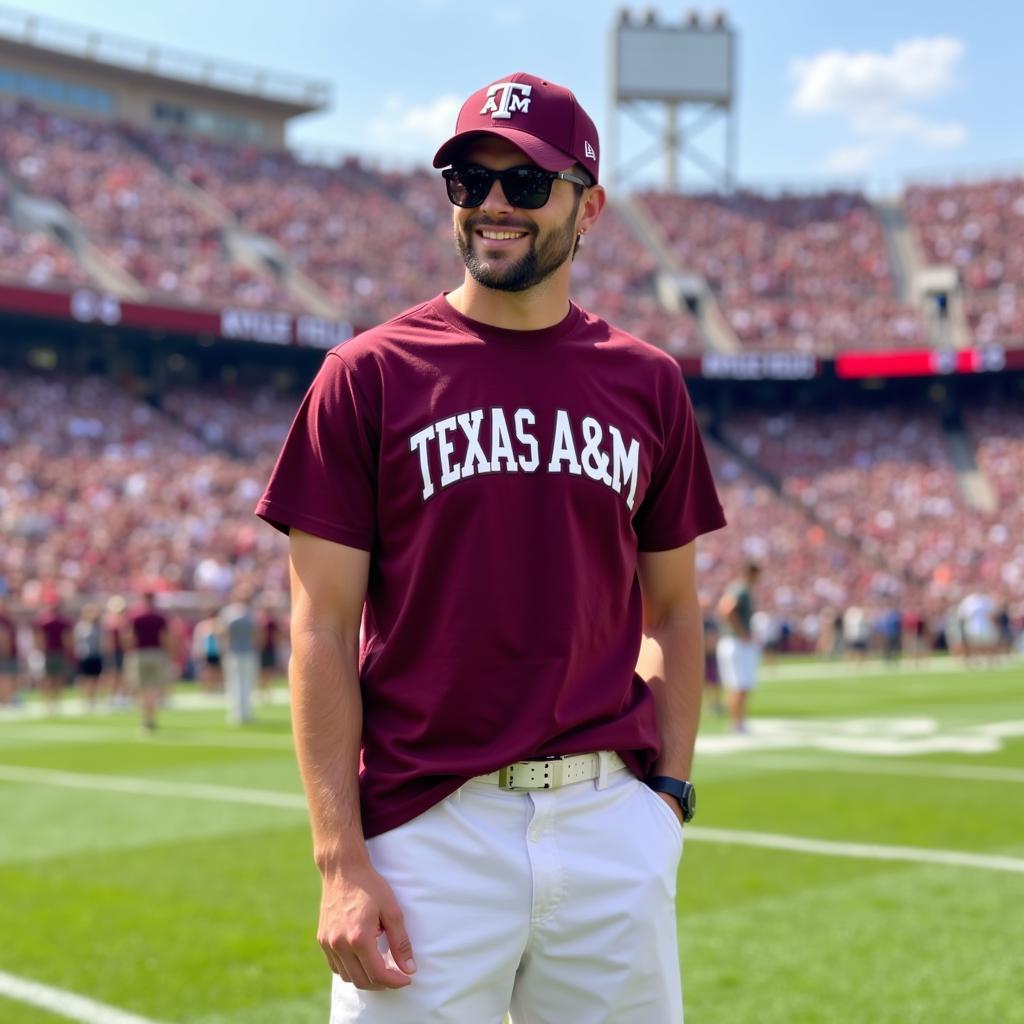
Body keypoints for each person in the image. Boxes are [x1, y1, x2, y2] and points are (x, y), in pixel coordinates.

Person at [256, 71, 725, 1024]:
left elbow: (673, 609)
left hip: (607, 819)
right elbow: (320, 629)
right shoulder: (366, 376)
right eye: (469, 180)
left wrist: (666, 798)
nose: (494, 205)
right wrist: (340, 860)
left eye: (526, 182)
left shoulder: (647, 384)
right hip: (428, 829)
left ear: (588, 207)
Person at [715, 562, 762, 734]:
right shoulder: (741, 589)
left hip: (733, 641)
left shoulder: (739, 588)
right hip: (736, 642)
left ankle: (738, 721)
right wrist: (741, 632)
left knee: (739, 684)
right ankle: (737, 723)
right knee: (739, 684)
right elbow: (726, 609)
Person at [124, 592, 170, 731]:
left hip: (140, 654)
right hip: (156, 653)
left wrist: (129, 651)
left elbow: (129, 637)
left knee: (142, 688)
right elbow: (166, 638)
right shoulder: (159, 617)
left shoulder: (136, 617)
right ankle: (151, 717)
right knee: (153, 688)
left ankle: (145, 718)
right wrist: (168, 654)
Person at [218, 586, 258, 725]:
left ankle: (239, 713)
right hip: (242, 651)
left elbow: (222, 632)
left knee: (237, 683)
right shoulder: (248, 613)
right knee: (242, 683)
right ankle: (242, 713)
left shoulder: (230, 612)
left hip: (237, 651)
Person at [72, 603, 105, 708]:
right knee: (85, 677)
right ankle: (85, 698)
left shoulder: (99, 626)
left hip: (96, 654)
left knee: (95, 677)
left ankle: (92, 698)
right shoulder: (81, 626)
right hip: (85, 655)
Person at [0, 597, 19, 705]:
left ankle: (6, 699)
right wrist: (4, 652)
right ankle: (4, 700)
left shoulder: (7, 620)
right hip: (5, 654)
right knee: (5, 677)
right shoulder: (3, 621)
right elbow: (3, 637)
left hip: (10, 653)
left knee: (9, 676)